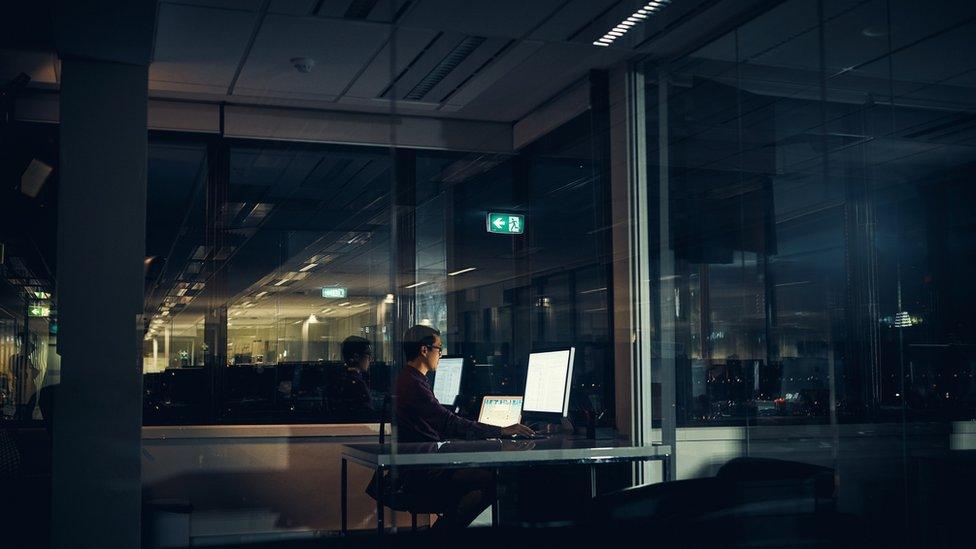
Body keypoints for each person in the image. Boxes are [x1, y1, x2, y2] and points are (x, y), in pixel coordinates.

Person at [391, 325, 534, 529]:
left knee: (481, 477)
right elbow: (448, 423)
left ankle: (446, 531)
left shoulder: (410, 379)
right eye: (439, 349)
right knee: (495, 480)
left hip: (419, 466)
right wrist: (501, 430)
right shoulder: (413, 384)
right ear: (424, 350)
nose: (440, 354)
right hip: (421, 473)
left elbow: (442, 422)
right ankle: (443, 534)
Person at [328, 336, 374, 418]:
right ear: (356, 357)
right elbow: (366, 414)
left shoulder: (339, 379)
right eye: (368, 355)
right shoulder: (356, 384)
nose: (370, 360)